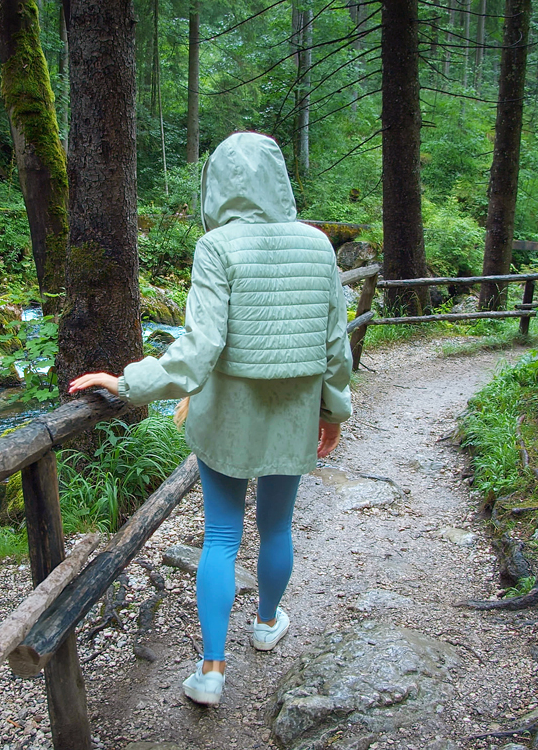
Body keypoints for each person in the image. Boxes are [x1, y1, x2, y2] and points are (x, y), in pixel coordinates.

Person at [68, 131, 353, 706]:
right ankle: (267, 624)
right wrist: (332, 412)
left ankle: (212, 670)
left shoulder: (216, 247)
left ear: (217, 184)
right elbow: (335, 348)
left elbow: (198, 350)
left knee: (221, 536)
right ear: (279, 180)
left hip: (228, 417)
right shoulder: (318, 246)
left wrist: (127, 383)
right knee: (277, 527)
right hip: (293, 414)